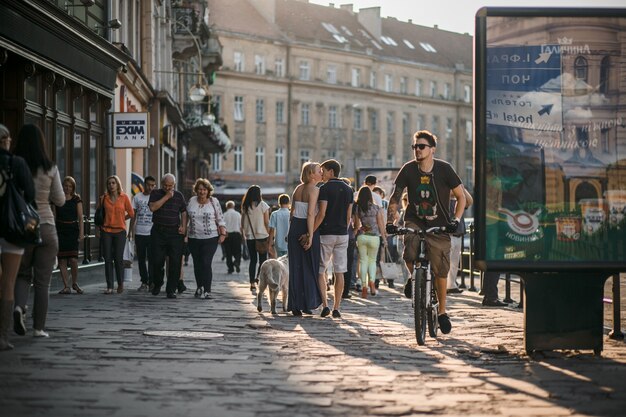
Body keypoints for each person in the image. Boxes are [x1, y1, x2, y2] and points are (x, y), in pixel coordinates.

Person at [387, 130, 466, 335]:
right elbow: (395, 196)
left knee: (440, 268)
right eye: (415, 147)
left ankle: (441, 312)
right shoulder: (408, 169)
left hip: (440, 223)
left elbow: (461, 197)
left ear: (432, 149)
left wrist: (455, 220)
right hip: (414, 220)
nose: (417, 150)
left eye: (421, 146)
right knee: (410, 251)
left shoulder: (445, 169)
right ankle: (415, 279)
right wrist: (391, 221)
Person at [13, 124, 65, 338]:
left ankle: (19, 307)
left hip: (24, 226)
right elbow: (60, 200)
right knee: (43, 281)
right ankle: (39, 328)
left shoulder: (14, 166)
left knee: (23, 274)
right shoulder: (50, 167)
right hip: (46, 225)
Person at [0, 124, 35, 350]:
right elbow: (30, 195)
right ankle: (2, 337)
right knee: (8, 283)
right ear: (6, 141)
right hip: (12, 229)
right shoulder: (17, 163)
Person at [315, 159, 354, 318]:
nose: (322, 174)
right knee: (340, 271)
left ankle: (325, 304)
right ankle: (337, 307)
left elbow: (322, 213)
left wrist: (312, 230)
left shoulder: (324, 189)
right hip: (342, 234)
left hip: (326, 233)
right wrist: (343, 229)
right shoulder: (349, 189)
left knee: (321, 270)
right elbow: (348, 216)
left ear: (331, 171)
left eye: (323, 171)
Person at [287, 162, 323, 316]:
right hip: (305, 226)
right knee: (309, 266)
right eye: (318, 171)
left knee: (295, 267)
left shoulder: (297, 189)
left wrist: (291, 231)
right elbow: (310, 214)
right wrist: (310, 234)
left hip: (294, 226)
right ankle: (308, 303)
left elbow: (292, 212)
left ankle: (295, 304)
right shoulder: (314, 190)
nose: (321, 173)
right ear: (311, 174)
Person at [186, 178, 227, 299]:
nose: (202, 192)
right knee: (197, 264)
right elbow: (185, 217)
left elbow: (220, 218)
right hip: (194, 237)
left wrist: (223, 233)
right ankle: (199, 287)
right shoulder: (191, 201)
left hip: (211, 238)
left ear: (208, 190)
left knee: (206, 262)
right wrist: (184, 233)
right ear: (196, 190)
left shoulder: (214, 201)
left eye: (204, 189)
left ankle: (207, 290)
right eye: (199, 189)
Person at [149, 173, 187, 299]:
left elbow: (184, 211)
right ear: (161, 184)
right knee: (157, 260)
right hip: (158, 231)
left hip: (174, 233)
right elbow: (153, 208)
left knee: (175, 262)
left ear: (174, 185)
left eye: (170, 186)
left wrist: (183, 226)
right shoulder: (155, 193)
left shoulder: (179, 196)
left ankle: (171, 289)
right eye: (165, 185)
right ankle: (158, 283)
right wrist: (166, 197)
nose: (168, 188)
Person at [98, 175, 134, 295]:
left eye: (113, 183)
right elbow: (99, 215)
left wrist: (121, 219)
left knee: (118, 259)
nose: (111, 185)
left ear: (118, 184)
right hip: (106, 231)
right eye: (109, 183)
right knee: (107, 259)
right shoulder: (104, 198)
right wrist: (98, 229)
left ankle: (120, 284)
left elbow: (131, 213)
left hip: (120, 232)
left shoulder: (124, 197)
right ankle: (109, 286)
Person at [353, 185, 387, 299]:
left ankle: (363, 287)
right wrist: (384, 237)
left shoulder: (358, 208)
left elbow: (357, 225)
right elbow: (381, 224)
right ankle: (372, 282)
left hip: (362, 237)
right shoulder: (376, 208)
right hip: (374, 237)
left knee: (363, 261)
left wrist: (355, 231)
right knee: (372, 261)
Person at [56, 176, 84, 294]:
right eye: (65, 186)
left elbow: (80, 217)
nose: (67, 188)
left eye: (69, 186)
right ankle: (66, 286)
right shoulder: (58, 199)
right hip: (60, 230)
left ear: (73, 188)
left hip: (72, 230)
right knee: (62, 260)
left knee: (73, 259)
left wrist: (81, 233)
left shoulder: (76, 199)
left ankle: (74, 282)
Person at [241, 185, 270, 292]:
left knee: (253, 260)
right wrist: (269, 233)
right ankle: (259, 277)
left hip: (250, 237)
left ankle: (252, 283)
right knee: (263, 260)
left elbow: (242, 224)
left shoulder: (245, 206)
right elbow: (267, 222)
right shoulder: (263, 205)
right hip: (262, 236)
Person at [129, 175, 156, 292]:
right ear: (144, 185)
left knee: (152, 258)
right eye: (148, 185)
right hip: (140, 232)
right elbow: (133, 215)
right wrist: (130, 231)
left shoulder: (156, 198)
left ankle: (152, 282)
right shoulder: (137, 197)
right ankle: (144, 281)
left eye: (152, 185)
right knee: (140, 259)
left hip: (152, 233)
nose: (150, 187)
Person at [447, 187, 473, 294]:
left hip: (458, 234)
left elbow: (470, 201)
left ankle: (451, 285)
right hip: (447, 235)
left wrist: (461, 187)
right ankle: (443, 285)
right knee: (445, 262)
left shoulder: (460, 201)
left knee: (454, 263)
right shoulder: (444, 200)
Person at [223, 200, 242, 274]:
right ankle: (237, 262)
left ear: (226, 207)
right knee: (238, 251)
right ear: (233, 206)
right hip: (236, 234)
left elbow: (222, 226)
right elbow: (241, 226)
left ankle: (230, 268)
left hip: (227, 235)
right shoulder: (238, 214)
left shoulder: (224, 214)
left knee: (228, 253)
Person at [268, 194, 290, 258]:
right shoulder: (291, 214)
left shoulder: (274, 214)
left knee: (280, 263)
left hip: (278, 243)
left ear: (279, 203)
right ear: (288, 202)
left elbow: (272, 230)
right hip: (289, 243)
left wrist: (269, 245)